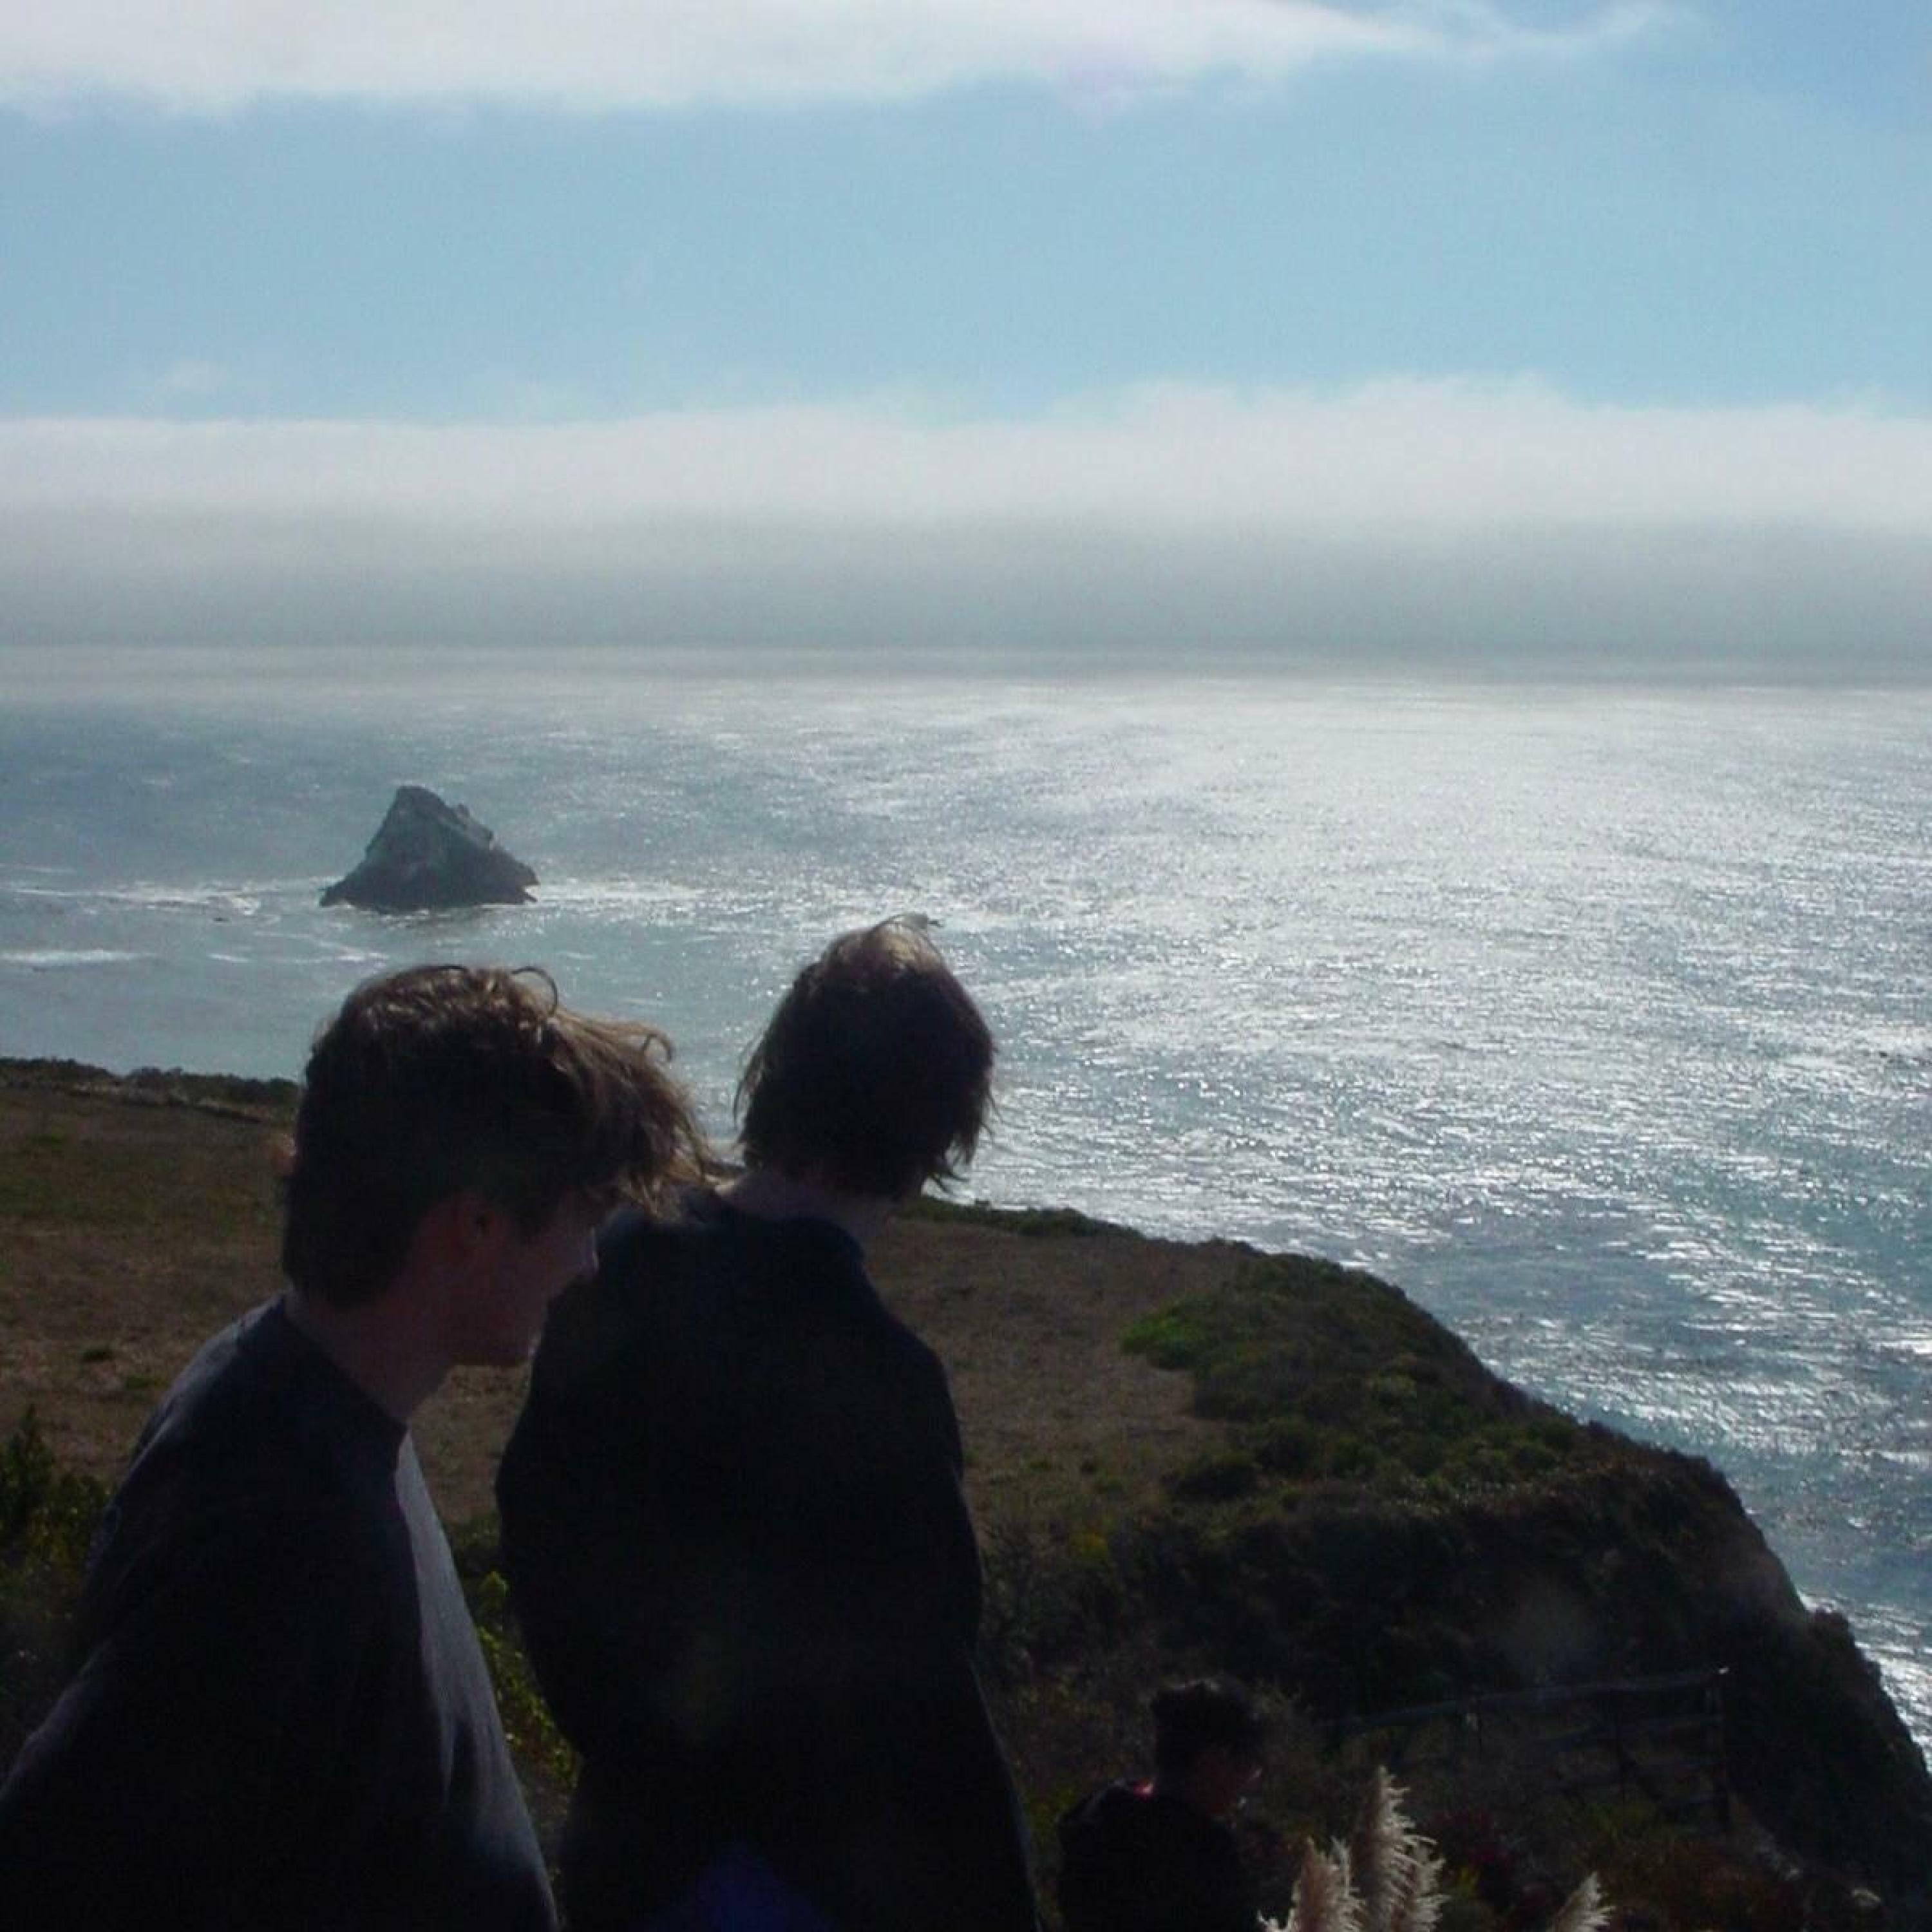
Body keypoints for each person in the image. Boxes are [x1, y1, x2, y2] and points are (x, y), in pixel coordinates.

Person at [0, 963, 703, 1931]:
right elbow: (59, 1877)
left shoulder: (315, 1408)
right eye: (582, 1217)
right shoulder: (275, 1531)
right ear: (475, 1225)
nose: (588, 1263)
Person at [498, 918, 1041, 1932]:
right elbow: (923, 1701)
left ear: (779, 1074)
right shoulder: (882, 1379)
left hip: (631, 1853)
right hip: (801, 1884)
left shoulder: (618, 1258)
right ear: (939, 1134)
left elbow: (537, 1528)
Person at [1057, 1677, 1269, 1932]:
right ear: (1214, 1760)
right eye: (1246, 1766)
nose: (1247, 1782)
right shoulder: (1206, 1852)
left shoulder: (1098, 1814)